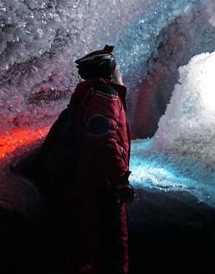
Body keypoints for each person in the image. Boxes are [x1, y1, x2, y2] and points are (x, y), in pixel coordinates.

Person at [65, 45, 134, 274]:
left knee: (89, 252)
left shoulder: (91, 93)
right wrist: (119, 179)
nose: (120, 74)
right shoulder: (105, 96)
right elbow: (103, 138)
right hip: (102, 186)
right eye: (118, 69)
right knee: (111, 255)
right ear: (109, 71)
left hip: (88, 182)